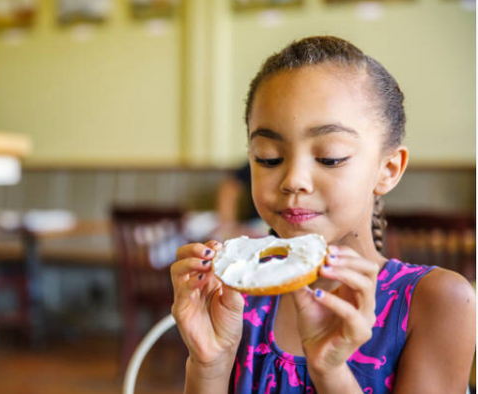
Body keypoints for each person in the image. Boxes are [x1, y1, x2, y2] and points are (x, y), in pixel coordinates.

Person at [170, 36, 476, 393]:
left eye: (330, 157)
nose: (293, 180)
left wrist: (331, 373)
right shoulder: (235, 296)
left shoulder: (435, 302)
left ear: (388, 169)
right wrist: (209, 364)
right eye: (268, 157)